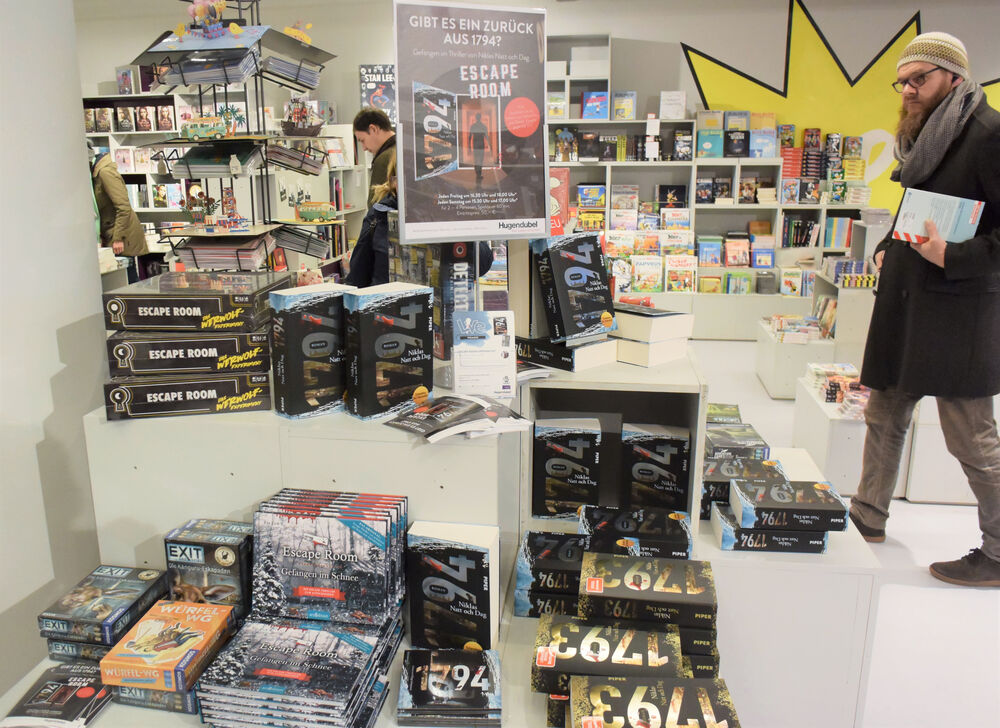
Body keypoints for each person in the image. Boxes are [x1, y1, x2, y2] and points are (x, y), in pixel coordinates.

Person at [849, 32, 1000, 587]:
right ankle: (867, 516)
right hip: (907, 303)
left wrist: (951, 256)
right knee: (884, 413)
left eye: (920, 79)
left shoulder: (989, 135)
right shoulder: (927, 135)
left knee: (971, 437)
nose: (909, 90)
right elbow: (921, 207)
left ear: (954, 78)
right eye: (903, 82)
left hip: (958, 312)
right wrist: (890, 245)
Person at [89, 140, 149, 281]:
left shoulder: (105, 173)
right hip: (111, 233)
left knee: (126, 279)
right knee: (121, 279)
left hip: (121, 234)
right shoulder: (96, 173)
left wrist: (118, 238)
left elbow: (123, 207)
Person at [352, 108, 396, 207]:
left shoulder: (385, 158)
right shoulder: (405, 149)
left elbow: (375, 206)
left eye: (362, 140)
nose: (364, 148)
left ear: (373, 129)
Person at [468, 112, 489, 183]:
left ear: (476, 118)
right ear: (480, 118)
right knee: (480, 159)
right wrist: (489, 145)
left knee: (477, 159)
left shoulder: (473, 126)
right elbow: (486, 136)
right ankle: (478, 174)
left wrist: (469, 146)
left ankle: (478, 174)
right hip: (480, 144)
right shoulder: (483, 126)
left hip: (476, 145)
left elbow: (470, 137)